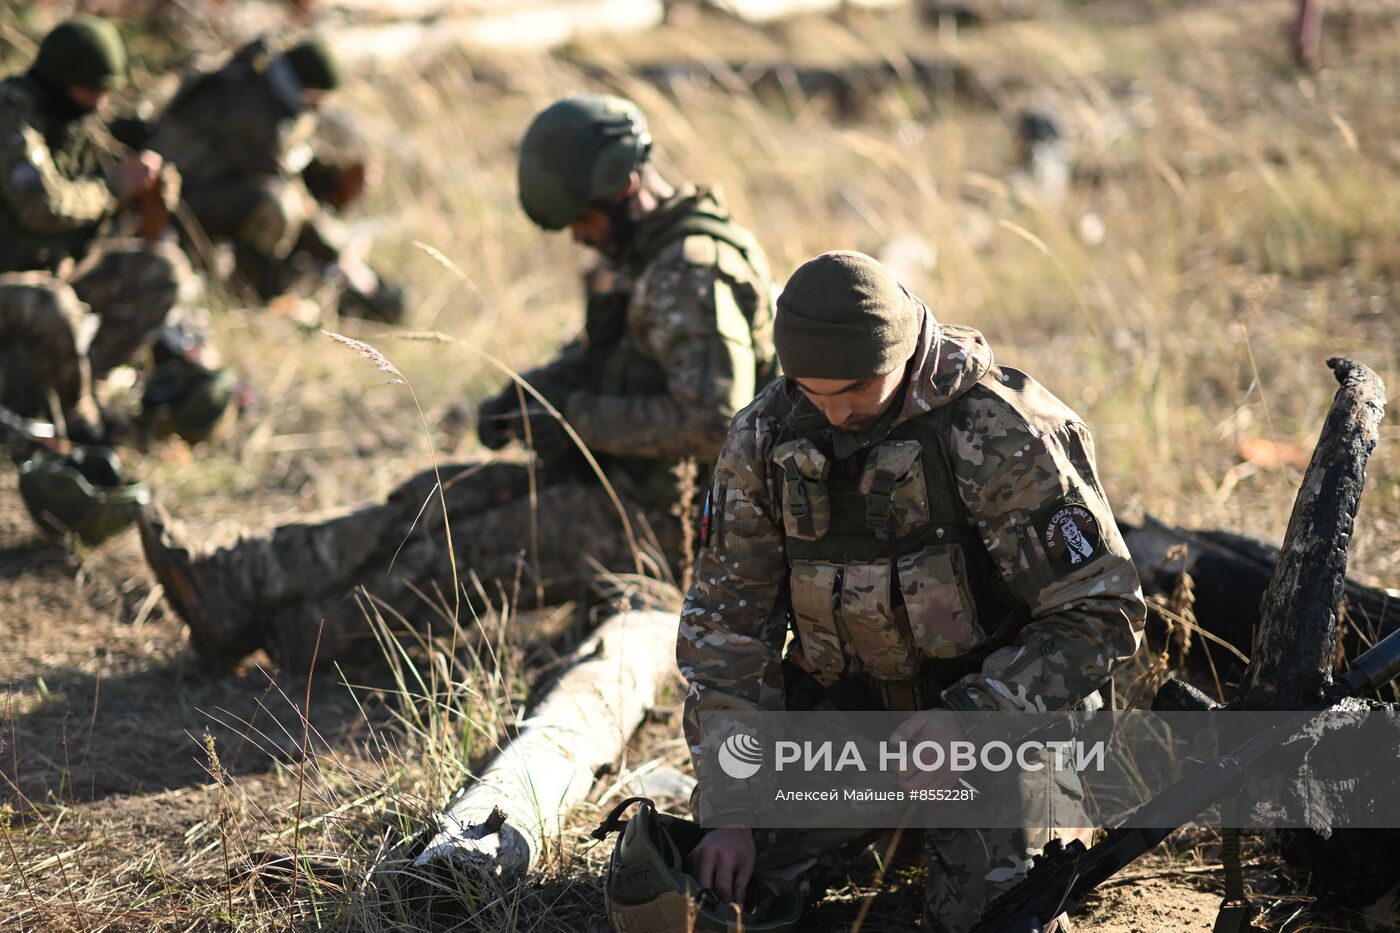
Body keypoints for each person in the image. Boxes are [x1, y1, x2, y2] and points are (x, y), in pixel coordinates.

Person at [138, 93, 778, 671]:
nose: (579, 236)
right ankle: (232, 583)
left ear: (626, 187)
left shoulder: (693, 273)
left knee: (459, 555)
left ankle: (296, 638)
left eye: (584, 218)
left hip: (672, 522)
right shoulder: (642, 254)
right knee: (431, 496)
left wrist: (567, 416)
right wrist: (527, 396)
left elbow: (710, 422)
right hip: (616, 480)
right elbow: (605, 355)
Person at [677, 251, 1146, 930]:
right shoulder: (766, 434)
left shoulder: (996, 426)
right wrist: (730, 809)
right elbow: (726, 631)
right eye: (814, 391)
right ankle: (892, 829)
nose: (836, 414)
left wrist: (970, 717)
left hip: (1002, 730)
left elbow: (1101, 609)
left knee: (995, 915)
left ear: (900, 353)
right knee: (719, 887)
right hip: (855, 724)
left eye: (857, 390)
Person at [0, 15, 196, 444]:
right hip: (15, 289)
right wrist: (114, 188)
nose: (100, 105)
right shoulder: (11, 113)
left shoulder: (79, 123)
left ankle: (60, 394)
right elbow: (40, 206)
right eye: (91, 92)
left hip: (56, 276)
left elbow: (131, 220)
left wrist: (153, 187)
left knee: (162, 272)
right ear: (58, 81)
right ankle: (79, 426)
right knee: (53, 304)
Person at [147, 35, 403, 322]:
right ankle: (248, 298)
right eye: (318, 99)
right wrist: (338, 253)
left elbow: (293, 163)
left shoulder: (266, 89)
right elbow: (284, 182)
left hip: (204, 191)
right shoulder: (250, 103)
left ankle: (353, 288)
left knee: (286, 206)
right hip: (175, 204)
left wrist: (334, 179)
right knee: (276, 206)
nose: (318, 108)